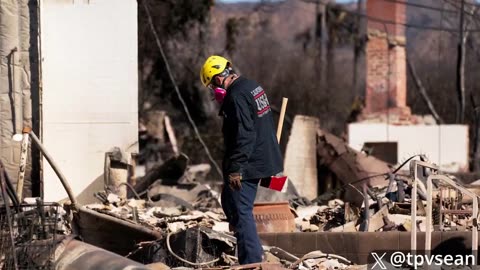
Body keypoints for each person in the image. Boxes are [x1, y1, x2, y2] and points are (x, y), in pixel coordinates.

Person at [200, 55, 283, 264]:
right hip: (262, 156)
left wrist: (236, 168)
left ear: (218, 79)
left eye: (211, 85)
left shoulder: (235, 97)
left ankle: (252, 262)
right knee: (229, 200)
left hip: (248, 162)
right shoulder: (251, 86)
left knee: (241, 210)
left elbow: (244, 135)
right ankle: (245, 245)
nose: (213, 91)